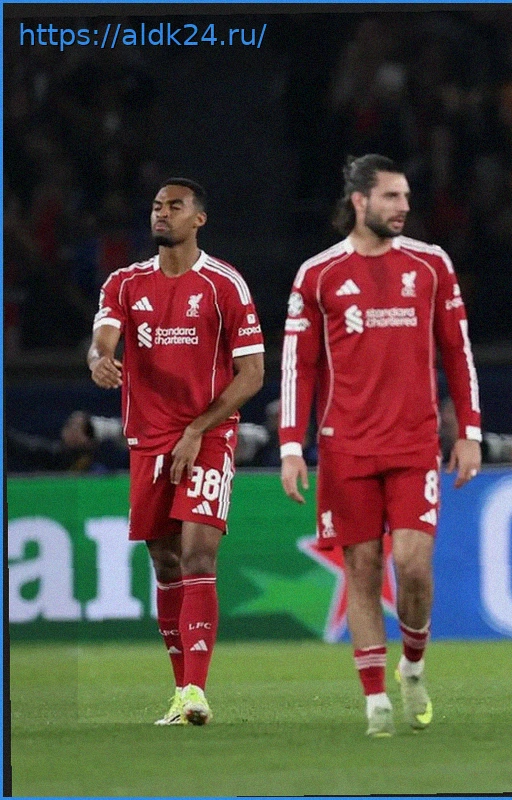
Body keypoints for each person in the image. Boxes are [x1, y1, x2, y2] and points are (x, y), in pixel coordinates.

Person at [279, 154, 482, 737]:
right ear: (360, 201)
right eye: (392, 196)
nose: (404, 207)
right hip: (345, 449)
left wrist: (468, 432)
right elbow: (299, 365)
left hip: (414, 443)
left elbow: (458, 352)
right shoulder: (317, 274)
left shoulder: (431, 264)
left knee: (412, 566)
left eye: (406, 197)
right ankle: (375, 701)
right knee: (362, 569)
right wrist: (291, 445)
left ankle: (412, 665)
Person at [88, 178, 265, 726]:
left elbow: (252, 374)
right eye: (156, 207)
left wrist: (197, 429)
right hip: (148, 439)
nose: (161, 214)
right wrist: (99, 359)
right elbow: (104, 336)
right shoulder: (124, 282)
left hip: (208, 434)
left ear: (199, 219)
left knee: (197, 555)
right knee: (165, 561)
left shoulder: (223, 284)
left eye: (174, 206)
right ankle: (179, 692)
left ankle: (196, 689)